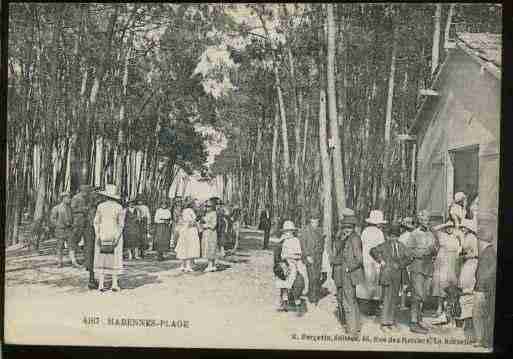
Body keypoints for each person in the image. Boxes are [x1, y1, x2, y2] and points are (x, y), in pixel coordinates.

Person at [370, 223, 413, 332]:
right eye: (391, 236)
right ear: (388, 236)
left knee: (394, 300)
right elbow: (372, 251)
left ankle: (391, 321)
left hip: (398, 276)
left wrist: (400, 264)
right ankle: (384, 323)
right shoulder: (384, 245)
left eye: (396, 236)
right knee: (386, 299)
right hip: (387, 275)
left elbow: (409, 258)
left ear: (398, 236)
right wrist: (381, 261)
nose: (393, 238)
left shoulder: (402, 246)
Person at [330, 209, 364, 336]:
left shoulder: (354, 239)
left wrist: (349, 268)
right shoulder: (348, 238)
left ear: (353, 227)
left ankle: (352, 330)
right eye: (345, 227)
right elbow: (339, 251)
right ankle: (356, 326)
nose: (346, 229)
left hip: (349, 275)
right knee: (351, 300)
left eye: (349, 227)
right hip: (346, 275)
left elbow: (360, 259)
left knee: (348, 301)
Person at [406, 210, 439, 334]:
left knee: (424, 295)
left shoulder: (431, 234)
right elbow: (408, 252)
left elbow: (436, 248)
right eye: (424, 219)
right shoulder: (414, 234)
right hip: (418, 268)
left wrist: (434, 250)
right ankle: (413, 322)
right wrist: (422, 253)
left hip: (428, 268)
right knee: (417, 295)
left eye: (428, 219)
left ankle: (419, 319)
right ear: (419, 220)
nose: (426, 221)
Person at [93, 184, 125, 292]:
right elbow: (121, 224)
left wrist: (97, 234)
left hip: (103, 233)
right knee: (115, 258)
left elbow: (96, 222)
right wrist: (118, 236)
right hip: (115, 233)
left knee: (102, 257)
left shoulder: (100, 206)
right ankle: (114, 284)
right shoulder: (119, 207)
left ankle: (101, 284)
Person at [272, 221, 308, 316]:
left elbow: (298, 254)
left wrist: (293, 258)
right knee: (282, 281)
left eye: (290, 231)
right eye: (286, 231)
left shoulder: (295, 240)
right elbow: (277, 255)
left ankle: (297, 303)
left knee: (296, 281)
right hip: (284, 264)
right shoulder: (281, 242)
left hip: (294, 263)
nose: (288, 233)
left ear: (293, 232)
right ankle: (284, 301)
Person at [357, 210, 387, 313]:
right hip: (376, 260)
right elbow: (382, 248)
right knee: (375, 283)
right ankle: (374, 307)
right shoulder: (379, 233)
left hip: (366, 260)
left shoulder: (365, 231)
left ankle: (364, 306)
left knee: (366, 283)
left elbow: (361, 245)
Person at [431, 221, 462, 320]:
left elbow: (462, 245)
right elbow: (433, 229)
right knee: (441, 284)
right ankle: (439, 308)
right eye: (447, 227)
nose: (449, 229)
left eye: (451, 227)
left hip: (453, 262)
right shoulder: (441, 235)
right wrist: (445, 224)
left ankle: (449, 310)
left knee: (452, 285)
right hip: (442, 261)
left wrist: (456, 228)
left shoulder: (457, 236)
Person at [472, 231, 496, 349]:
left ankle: (481, 340)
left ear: (481, 241)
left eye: (478, 240)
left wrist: (479, 287)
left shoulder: (487, 253)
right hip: (484, 288)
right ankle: (483, 340)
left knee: (477, 314)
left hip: (482, 289)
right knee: (484, 315)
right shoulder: (490, 252)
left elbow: (486, 274)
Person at [458, 219, 479, 341]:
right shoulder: (470, 237)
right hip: (470, 263)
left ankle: (467, 320)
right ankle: (467, 319)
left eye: (464, 227)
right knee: (467, 289)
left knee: (467, 289)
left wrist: (463, 256)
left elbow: (475, 253)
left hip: (471, 263)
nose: (462, 229)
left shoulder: (470, 237)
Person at [299, 209, 326, 306]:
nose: (315, 222)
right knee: (312, 277)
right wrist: (307, 255)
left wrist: (322, 253)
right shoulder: (305, 230)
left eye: (317, 220)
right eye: (314, 220)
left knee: (317, 277)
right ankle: (312, 298)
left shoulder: (320, 230)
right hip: (309, 257)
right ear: (310, 220)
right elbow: (302, 244)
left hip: (318, 257)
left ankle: (314, 294)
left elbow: (322, 243)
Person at [70, 184, 94, 267]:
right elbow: (72, 209)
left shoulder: (88, 198)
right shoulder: (76, 198)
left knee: (88, 241)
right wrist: (82, 209)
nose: (87, 194)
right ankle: (74, 260)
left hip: (86, 222)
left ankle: (87, 261)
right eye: (86, 192)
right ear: (81, 191)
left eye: (88, 192)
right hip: (77, 222)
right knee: (74, 241)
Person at [49, 192, 73, 268]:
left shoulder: (70, 208)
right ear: (63, 199)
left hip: (69, 229)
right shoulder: (56, 208)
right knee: (60, 246)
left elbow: (73, 217)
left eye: (69, 198)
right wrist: (58, 225)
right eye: (68, 198)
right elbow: (52, 219)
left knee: (71, 246)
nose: (69, 199)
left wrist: (72, 224)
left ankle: (73, 261)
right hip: (60, 230)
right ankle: (60, 262)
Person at [176, 201, 201, 272]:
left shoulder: (183, 211)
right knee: (190, 247)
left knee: (184, 247)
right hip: (190, 230)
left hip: (184, 230)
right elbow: (193, 221)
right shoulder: (190, 211)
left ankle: (183, 265)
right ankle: (188, 265)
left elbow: (181, 221)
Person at [398, 217, 415, 310]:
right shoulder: (411, 236)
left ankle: (403, 303)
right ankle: (408, 303)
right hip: (410, 261)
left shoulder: (402, 236)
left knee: (404, 282)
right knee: (409, 282)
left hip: (404, 260)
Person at [203, 199, 218, 272]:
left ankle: (211, 265)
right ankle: (212, 265)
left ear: (212, 207)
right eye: (206, 206)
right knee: (208, 247)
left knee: (211, 247)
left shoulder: (214, 213)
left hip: (211, 232)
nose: (207, 208)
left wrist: (206, 225)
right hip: (207, 233)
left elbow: (214, 225)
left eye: (209, 206)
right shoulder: (207, 214)